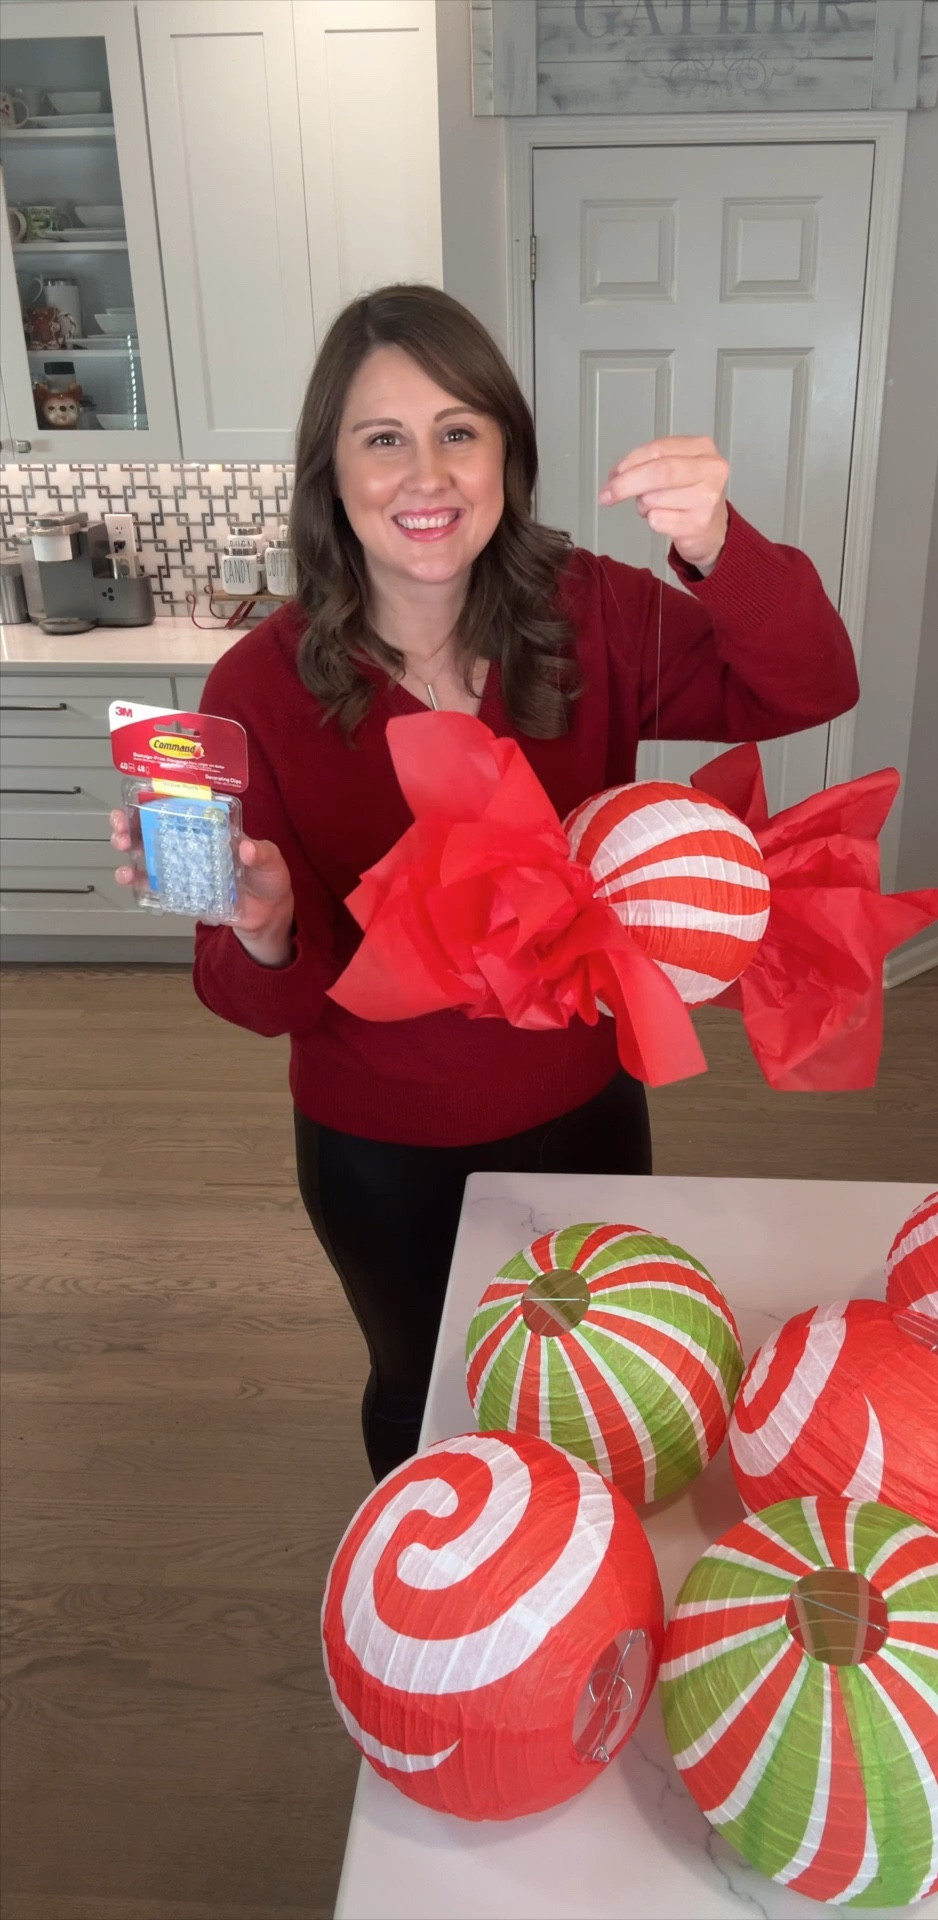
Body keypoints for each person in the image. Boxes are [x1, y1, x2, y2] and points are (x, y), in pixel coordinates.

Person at [111, 285, 858, 1481]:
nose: (428, 474)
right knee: (429, 1393)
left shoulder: (586, 612)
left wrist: (722, 545)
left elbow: (809, 686)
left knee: (599, 1390)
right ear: (331, 471)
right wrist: (260, 928)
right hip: (381, 1145)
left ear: (507, 453)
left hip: (589, 1107)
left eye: (460, 431)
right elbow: (258, 1002)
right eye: (383, 438)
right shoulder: (256, 685)